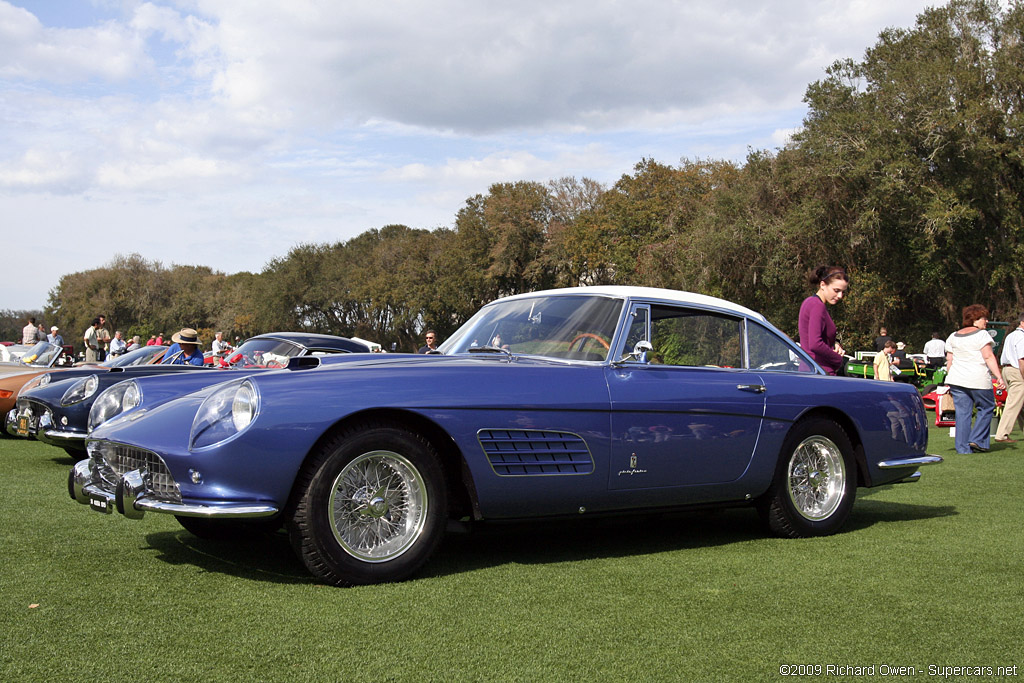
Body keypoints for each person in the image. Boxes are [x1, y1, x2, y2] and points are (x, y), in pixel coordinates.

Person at [945, 304, 1005, 454]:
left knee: (962, 413)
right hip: (977, 379)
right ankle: (977, 439)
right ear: (975, 320)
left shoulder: (953, 336)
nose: (986, 321)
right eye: (983, 318)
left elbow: (949, 360)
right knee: (986, 407)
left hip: (957, 379)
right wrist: (999, 376)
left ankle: (963, 448)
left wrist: (949, 378)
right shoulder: (982, 335)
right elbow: (988, 356)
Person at [798, 265, 848, 375]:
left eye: (843, 292)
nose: (840, 296)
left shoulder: (809, 302)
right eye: (836, 290)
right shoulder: (817, 306)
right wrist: (838, 360)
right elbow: (815, 344)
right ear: (822, 285)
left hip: (810, 370)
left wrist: (835, 343)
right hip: (820, 371)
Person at [995, 312, 1024, 443]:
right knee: (1013, 404)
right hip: (1017, 370)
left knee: (1020, 404)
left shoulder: (1011, 335)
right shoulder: (1022, 337)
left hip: (1006, 369)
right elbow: (1022, 359)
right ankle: (1002, 434)